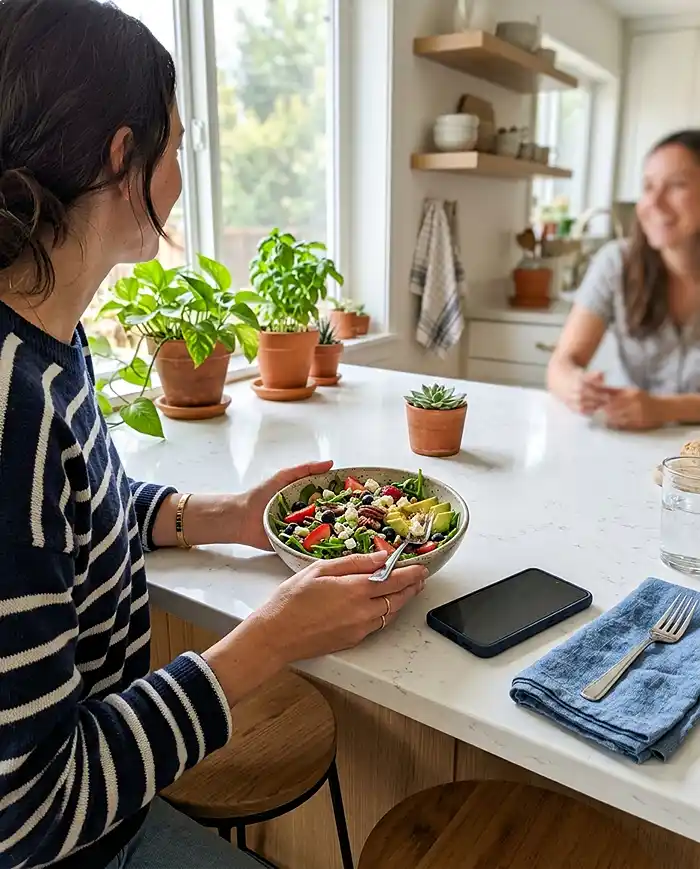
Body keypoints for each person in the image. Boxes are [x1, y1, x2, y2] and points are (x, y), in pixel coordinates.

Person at [0, 2, 428, 867]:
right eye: (180, 143)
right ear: (125, 159)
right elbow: (29, 809)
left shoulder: (48, 334)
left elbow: (81, 514)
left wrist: (226, 514)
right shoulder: (12, 409)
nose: (183, 168)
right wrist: (271, 636)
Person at [548, 129, 700, 430]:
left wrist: (662, 409)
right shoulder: (615, 262)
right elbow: (561, 364)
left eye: (676, 185)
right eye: (648, 186)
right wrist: (575, 385)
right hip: (626, 439)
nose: (653, 202)